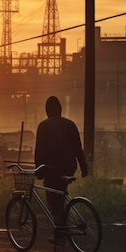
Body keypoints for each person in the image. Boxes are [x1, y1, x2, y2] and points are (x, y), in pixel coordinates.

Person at [34, 96, 88, 244]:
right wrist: (84, 167)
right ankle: (63, 228)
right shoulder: (70, 124)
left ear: (47, 111)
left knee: (53, 200)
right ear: (60, 109)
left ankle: (59, 232)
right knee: (61, 195)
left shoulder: (44, 126)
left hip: (52, 169)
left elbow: (40, 150)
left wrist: (38, 170)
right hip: (69, 167)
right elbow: (78, 148)